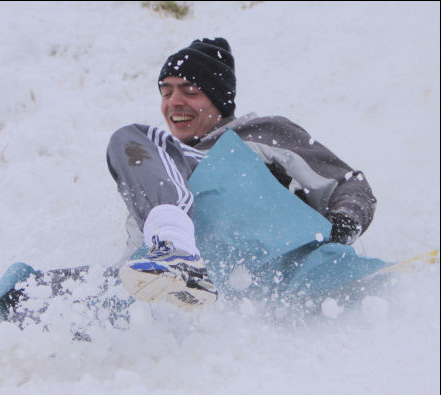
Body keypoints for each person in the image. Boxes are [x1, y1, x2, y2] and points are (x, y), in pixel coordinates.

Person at [106, 37, 377, 309]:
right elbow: (132, 262)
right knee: (70, 288)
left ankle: (176, 253)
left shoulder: (260, 133)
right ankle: (171, 260)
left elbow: (347, 184)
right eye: (166, 93)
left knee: (130, 139)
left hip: (276, 264)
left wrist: (344, 223)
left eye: (189, 91)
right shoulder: (156, 177)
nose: (173, 102)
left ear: (218, 98)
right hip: (200, 289)